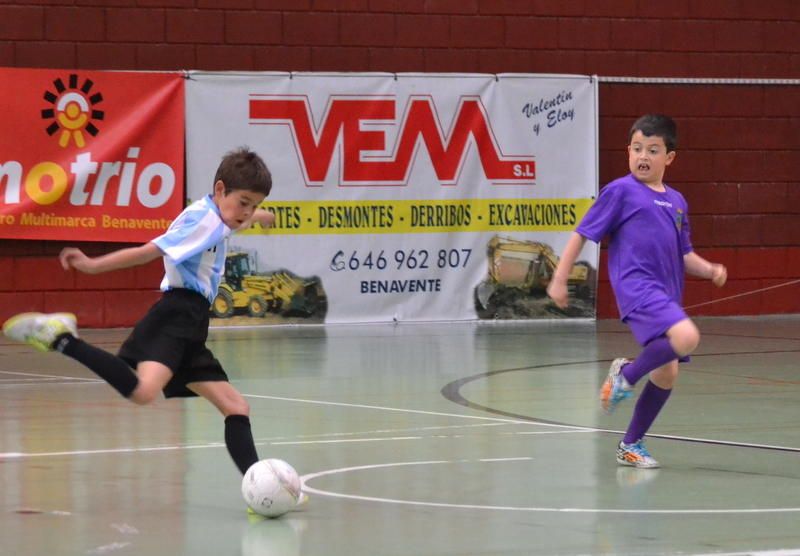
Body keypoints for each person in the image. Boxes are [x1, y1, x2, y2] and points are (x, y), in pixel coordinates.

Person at [3, 147, 306, 508]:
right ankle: (61, 338)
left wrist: (260, 216)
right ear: (221, 189)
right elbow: (149, 252)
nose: (247, 213)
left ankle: (263, 492)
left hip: (193, 322)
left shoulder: (219, 214)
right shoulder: (203, 223)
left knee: (235, 407)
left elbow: (240, 218)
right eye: (244, 202)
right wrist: (92, 265)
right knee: (144, 392)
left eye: (253, 205)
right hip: (176, 315)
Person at [547, 114, 727, 469]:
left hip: (667, 293)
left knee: (667, 371)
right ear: (628, 151)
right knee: (687, 335)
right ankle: (626, 374)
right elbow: (582, 232)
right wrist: (559, 277)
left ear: (669, 157)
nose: (643, 156)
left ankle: (631, 444)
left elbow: (684, 253)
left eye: (653, 150)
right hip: (636, 286)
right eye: (637, 148)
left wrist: (709, 270)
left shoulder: (677, 201)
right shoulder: (620, 191)